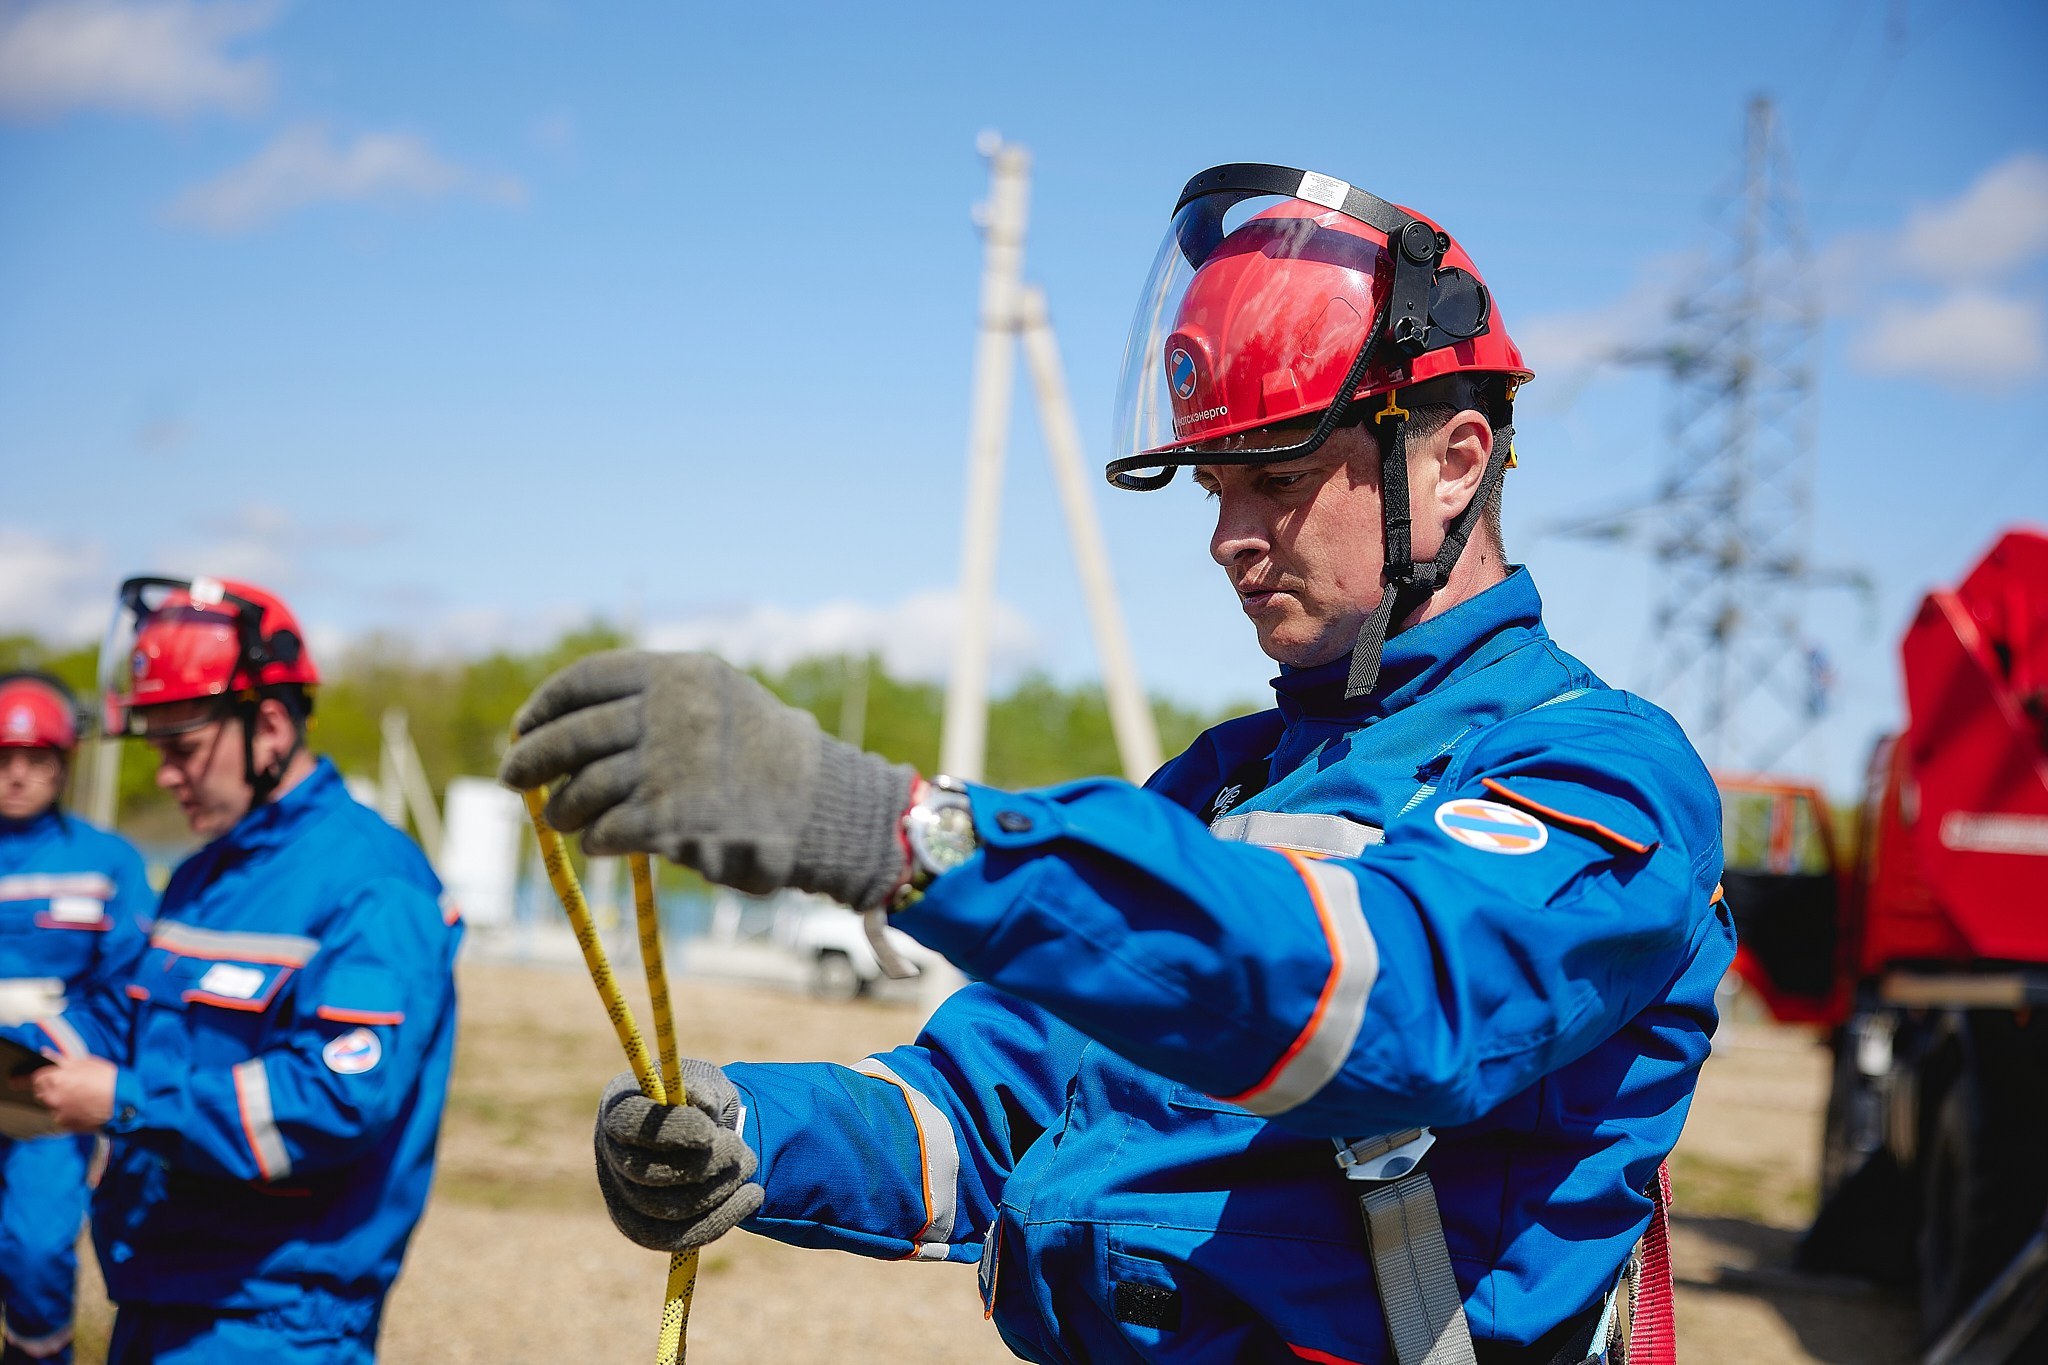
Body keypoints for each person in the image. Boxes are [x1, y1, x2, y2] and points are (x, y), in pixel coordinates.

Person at [500, 164, 1734, 1365]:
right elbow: (989, 1105)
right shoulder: (1225, 785)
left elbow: (1399, 1003)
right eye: (1210, 485)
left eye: (1277, 479)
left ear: (1454, 460)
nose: (1226, 539)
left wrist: (887, 830)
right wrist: (752, 1132)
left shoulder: (1596, 769)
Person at [19, 578, 462, 1365]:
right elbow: (123, 1014)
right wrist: (22, 1046)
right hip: (165, 1289)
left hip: (277, 1316)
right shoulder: (204, 874)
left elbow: (336, 1098)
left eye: (182, 747)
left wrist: (123, 1100)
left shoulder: (372, 883)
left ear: (267, 724)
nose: (163, 774)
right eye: (155, 748)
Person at [0, 673, 152, 1365]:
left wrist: (45, 1049)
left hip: (46, 1091)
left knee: (35, 1254)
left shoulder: (108, 861)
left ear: (65, 763)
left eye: (36, 759)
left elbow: (129, 986)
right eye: (3, 758)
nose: (18, 775)